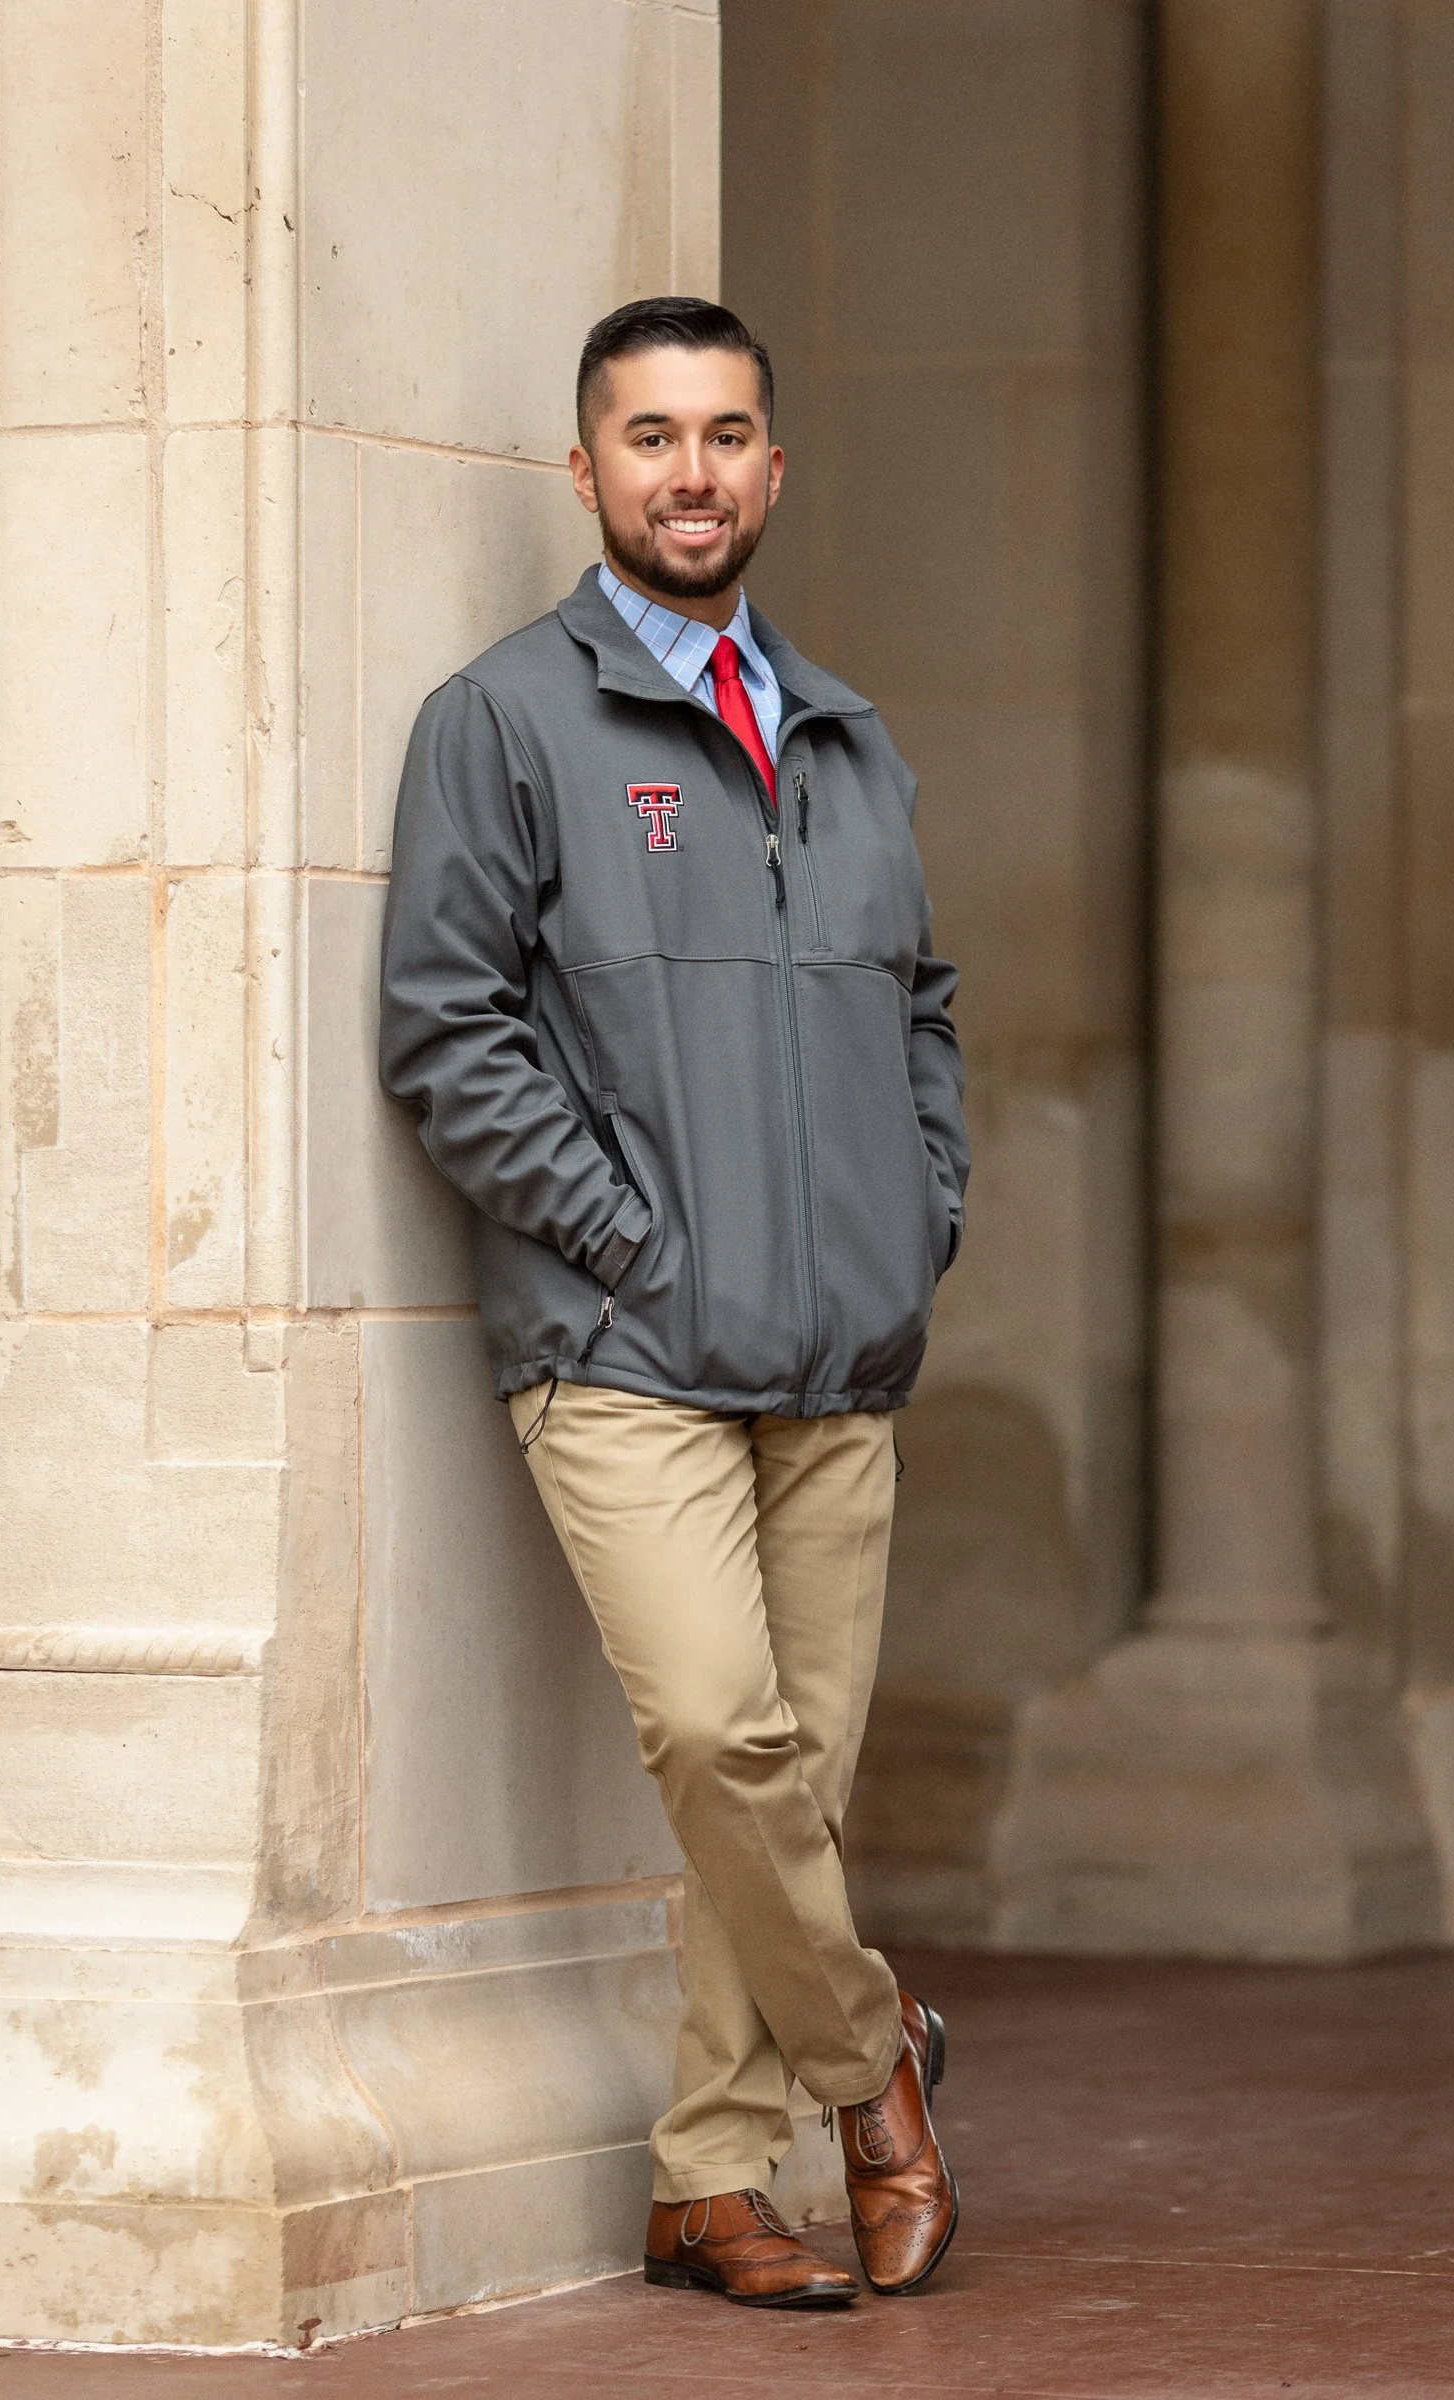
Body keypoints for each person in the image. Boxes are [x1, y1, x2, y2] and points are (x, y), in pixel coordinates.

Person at [379, 295, 968, 2308]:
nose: (690, 472)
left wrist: (917, 1213)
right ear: (588, 469)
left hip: (839, 1360)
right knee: (723, 1736)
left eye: (725, 435)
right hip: (621, 1350)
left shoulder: (848, 735)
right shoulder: (506, 720)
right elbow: (445, 1030)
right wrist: (631, 1241)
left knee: (784, 1780)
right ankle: (876, 2072)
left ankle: (714, 2177)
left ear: (773, 468)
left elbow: (922, 1013)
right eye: (650, 438)